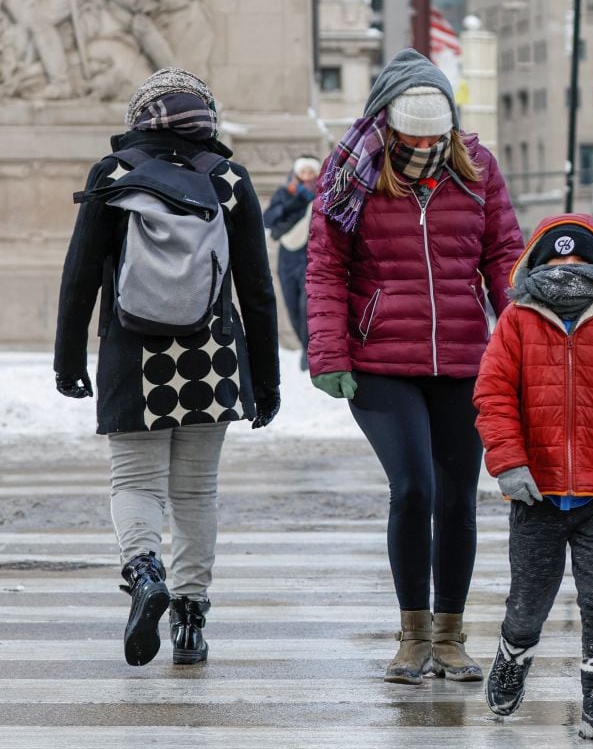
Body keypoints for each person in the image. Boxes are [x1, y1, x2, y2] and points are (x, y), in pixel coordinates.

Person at [306, 49, 524, 685]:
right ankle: (412, 634)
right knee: (414, 489)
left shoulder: (477, 168)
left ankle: (450, 635)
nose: (424, 146)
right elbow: (325, 267)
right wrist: (328, 354)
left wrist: (518, 333)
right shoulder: (352, 172)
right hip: (379, 363)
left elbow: (504, 252)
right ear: (386, 124)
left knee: (458, 497)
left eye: (435, 135)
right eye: (412, 136)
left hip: (463, 359)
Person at [53, 67, 280, 667]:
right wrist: (267, 380)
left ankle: (144, 571)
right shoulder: (230, 179)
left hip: (132, 351)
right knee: (196, 491)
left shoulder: (115, 174)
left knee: (134, 482)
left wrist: (68, 360)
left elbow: (79, 277)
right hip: (213, 355)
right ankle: (190, 621)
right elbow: (256, 290)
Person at [473, 214, 593, 745]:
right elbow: (493, 397)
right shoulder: (516, 322)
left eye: (579, 262)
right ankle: (514, 650)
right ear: (537, 265)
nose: (567, 271)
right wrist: (509, 463)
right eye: (557, 262)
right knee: (529, 600)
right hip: (536, 495)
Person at [263, 156, 320, 370]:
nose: (306, 175)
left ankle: (309, 351)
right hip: (288, 256)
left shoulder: (321, 194)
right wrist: (293, 203)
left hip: (311, 255)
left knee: (308, 305)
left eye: (310, 172)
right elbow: (268, 218)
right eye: (302, 171)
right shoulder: (286, 192)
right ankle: (305, 347)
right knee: (292, 306)